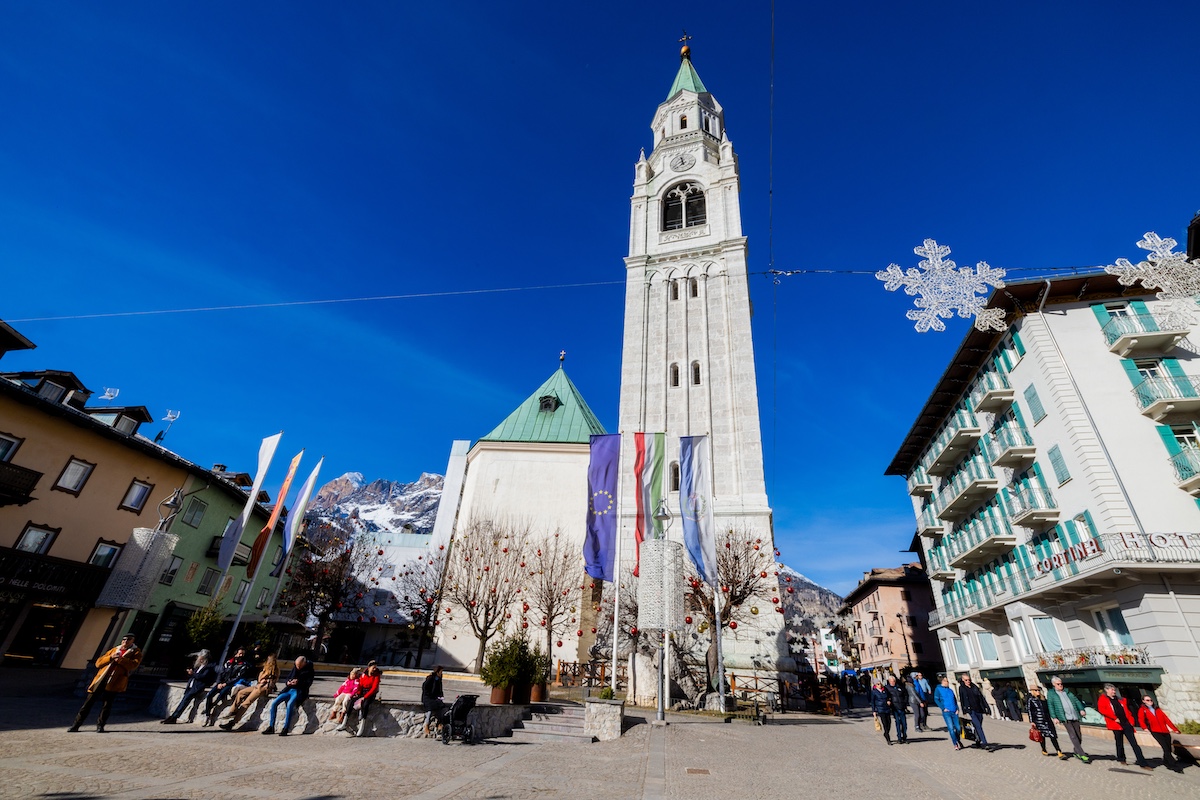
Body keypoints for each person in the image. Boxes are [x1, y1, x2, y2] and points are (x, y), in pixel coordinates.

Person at [69, 634, 143, 733]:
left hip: (115, 681)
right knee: (88, 703)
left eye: (128, 639)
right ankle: (76, 725)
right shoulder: (114, 650)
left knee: (107, 705)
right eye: (124, 639)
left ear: (132, 641)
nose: (125, 641)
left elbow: (133, 665)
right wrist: (111, 657)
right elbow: (98, 663)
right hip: (102, 678)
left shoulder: (136, 652)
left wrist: (121, 660)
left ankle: (100, 725)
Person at [1097, 683, 1152, 770]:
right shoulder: (1103, 699)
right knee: (1119, 742)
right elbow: (1102, 710)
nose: (1114, 691)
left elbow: (1127, 710)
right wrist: (1114, 718)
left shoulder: (1120, 699)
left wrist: (1131, 721)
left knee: (1134, 744)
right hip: (1116, 724)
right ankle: (1121, 758)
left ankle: (1143, 763)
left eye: (1114, 690)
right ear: (1107, 690)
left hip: (1126, 723)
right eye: (1112, 690)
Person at [220, 654, 279, 730]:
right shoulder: (265, 668)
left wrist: (266, 680)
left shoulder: (274, 670)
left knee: (246, 703)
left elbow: (271, 682)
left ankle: (233, 722)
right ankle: (233, 711)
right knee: (241, 693)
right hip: (258, 686)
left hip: (262, 688)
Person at [263, 655, 315, 736]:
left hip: (299, 690)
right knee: (274, 703)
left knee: (290, 705)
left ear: (304, 664)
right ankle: (271, 726)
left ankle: (286, 728)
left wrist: (298, 682)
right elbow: (288, 678)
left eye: (299, 666)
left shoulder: (309, 670)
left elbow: (308, 683)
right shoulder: (295, 668)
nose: (297, 667)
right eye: (296, 665)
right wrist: (288, 682)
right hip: (289, 689)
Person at [161, 650, 216, 724]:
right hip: (191, 686)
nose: (198, 659)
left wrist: (193, 673)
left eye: (200, 657)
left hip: (196, 687)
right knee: (183, 702)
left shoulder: (208, 667)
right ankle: (173, 716)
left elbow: (202, 677)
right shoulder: (199, 666)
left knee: (184, 702)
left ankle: (174, 717)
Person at [1045, 675, 1090, 762]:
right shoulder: (1051, 694)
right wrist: (1054, 717)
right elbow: (1050, 705)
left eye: (1061, 684)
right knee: (1073, 736)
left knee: (1078, 736)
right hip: (1065, 717)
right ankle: (1082, 755)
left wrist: (1081, 709)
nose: (1060, 685)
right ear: (1054, 684)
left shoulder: (1067, 692)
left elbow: (1076, 700)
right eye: (1058, 684)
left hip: (1075, 716)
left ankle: (1076, 751)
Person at [202, 647, 252, 726]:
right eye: (240, 653)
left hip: (229, 684)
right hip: (222, 682)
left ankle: (213, 705)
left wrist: (226, 684)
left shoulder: (243, 665)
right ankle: (207, 714)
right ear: (236, 654)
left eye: (242, 654)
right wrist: (219, 683)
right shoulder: (228, 662)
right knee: (210, 695)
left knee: (222, 694)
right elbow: (221, 673)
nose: (241, 655)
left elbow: (237, 677)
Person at [1137, 695, 1182, 772]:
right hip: (1155, 731)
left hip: (1164, 730)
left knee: (1168, 748)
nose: (1150, 701)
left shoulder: (1157, 709)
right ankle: (1173, 765)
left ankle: (1166, 761)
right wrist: (1144, 728)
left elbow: (1166, 719)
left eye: (1151, 700)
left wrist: (1175, 729)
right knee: (1165, 747)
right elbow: (1141, 720)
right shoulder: (1142, 710)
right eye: (1147, 700)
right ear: (1143, 701)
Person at [343, 661, 382, 737]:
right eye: (373, 667)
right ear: (369, 667)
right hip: (362, 691)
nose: (374, 669)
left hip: (370, 693)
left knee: (365, 704)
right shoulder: (364, 675)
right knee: (351, 701)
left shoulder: (376, 675)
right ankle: (344, 721)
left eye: (375, 667)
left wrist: (365, 697)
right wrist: (358, 693)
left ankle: (362, 724)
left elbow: (374, 688)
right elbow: (360, 684)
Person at [1026, 685, 1063, 758]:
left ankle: (1058, 751)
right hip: (1038, 721)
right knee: (1042, 736)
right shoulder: (1031, 700)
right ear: (1033, 691)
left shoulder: (1043, 699)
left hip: (1047, 719)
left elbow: (1048, 709)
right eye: (1036, 690)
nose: (1038, 692)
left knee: (1053, 736)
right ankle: (1044, 749)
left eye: (1039, 690)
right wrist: (1032, 721)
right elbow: (1029, 711)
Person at [958, 675, 992, 750]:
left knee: (978, 726)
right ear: (963, 680)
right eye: (966, 680)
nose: (968, 681)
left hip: (979, 709)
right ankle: (985, 743)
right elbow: (962, 699)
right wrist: (964, 710)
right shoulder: (962, 688)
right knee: (978, 726)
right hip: (971, 710)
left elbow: (981, 698)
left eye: (969, 680)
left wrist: (987, 707)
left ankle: (977, 741)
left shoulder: (974, 687)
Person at [934, 676, 962, 750]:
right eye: (946, 681)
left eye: (947, 681)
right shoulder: (938, 689)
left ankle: (957, 739)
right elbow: (936, 700)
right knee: (951, 728)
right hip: (947, 712)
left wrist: (957, 709)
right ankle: (955, 744)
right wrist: (943, 708)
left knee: (958, 728)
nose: (947, 682)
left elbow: (955, 699)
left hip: (954, 711)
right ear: (942, 682)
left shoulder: (950, 690)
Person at [422, 665, 447, 737]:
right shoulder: (431, 678)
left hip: (435, 698)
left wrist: (441, 697)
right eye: (441, 671)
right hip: (427, 698)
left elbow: (440, 690)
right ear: (437, 671)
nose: (442, 673)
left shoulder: (439, 679)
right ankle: (426, 725)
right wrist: (429, 694)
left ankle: (439, 724)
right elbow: (425, 687)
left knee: (441, 707)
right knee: (430, 710)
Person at [884, 675, 909, 744]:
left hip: (902, 707)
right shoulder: (887, 688)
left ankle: (904, 737)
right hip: (895, 708)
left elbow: (906, 695)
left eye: (894, 681)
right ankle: (899, 738)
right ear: (889, 681)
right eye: (891, 681)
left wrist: (905, 703)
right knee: (898, 723)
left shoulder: (900, 687)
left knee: (904, 723)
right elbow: (886, 697)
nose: (893, 682)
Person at [870, 678, 894, 745]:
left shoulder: (884, 690)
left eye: (880, 683)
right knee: (885, 723)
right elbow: (872, 701)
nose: (880, 685)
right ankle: (887, 737)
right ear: (875, 685)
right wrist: (874, 710)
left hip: (887, 708)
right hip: (880, 709)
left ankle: (886, 732)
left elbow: (889, 697)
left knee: (889, 722)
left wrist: (889, 700)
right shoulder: (874, 692)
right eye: (878, 684)